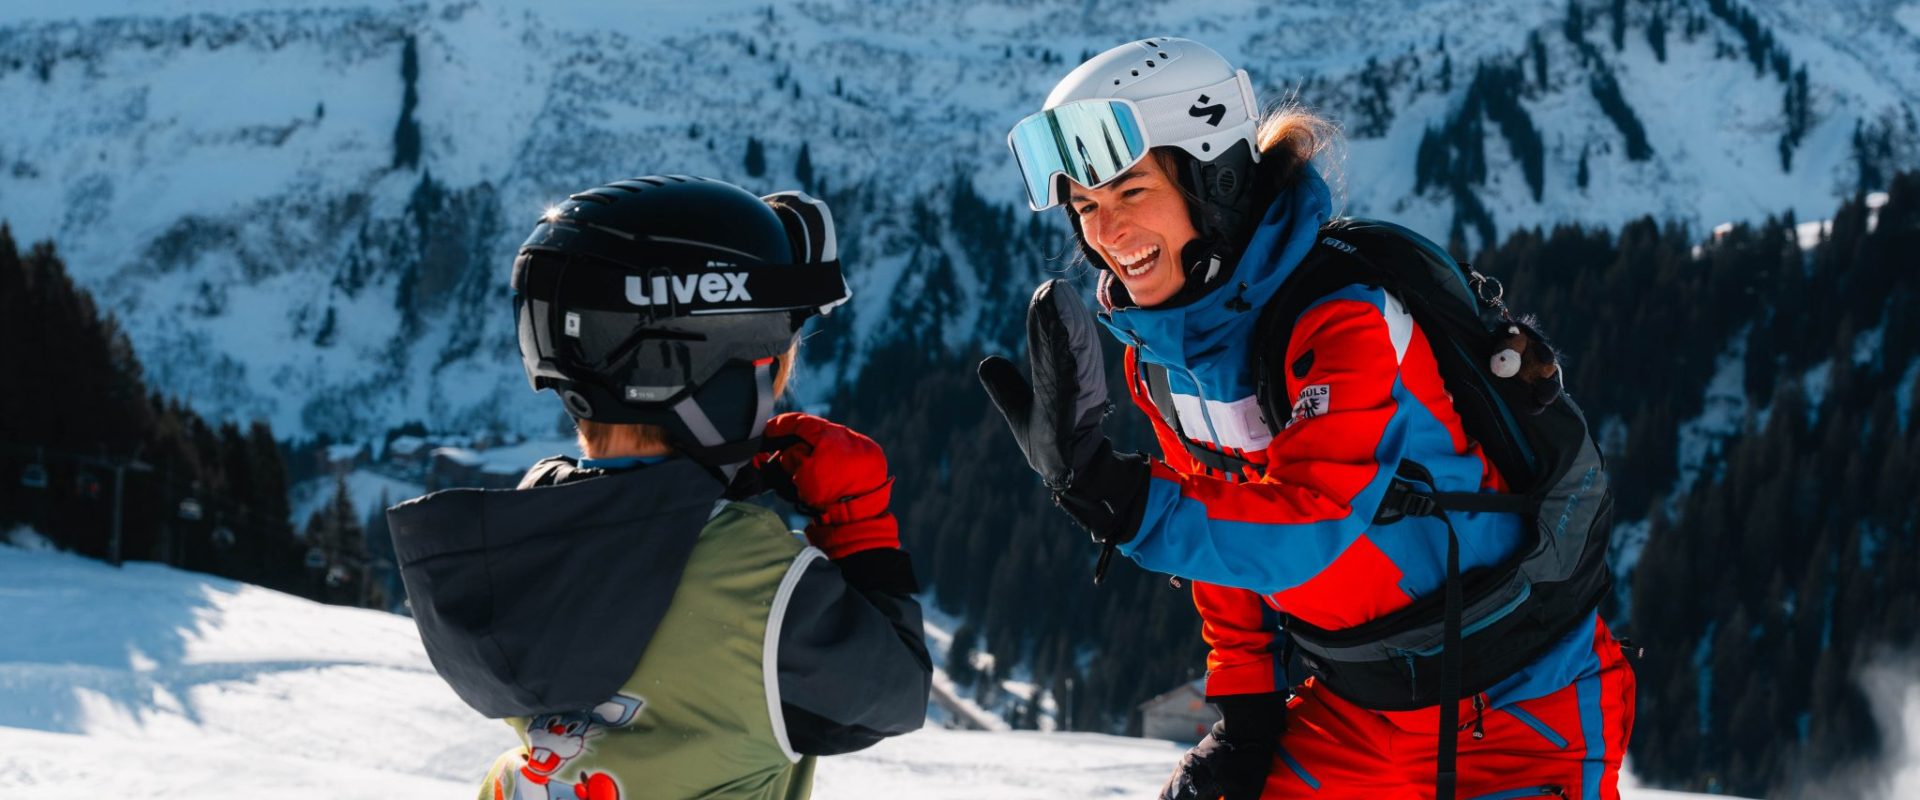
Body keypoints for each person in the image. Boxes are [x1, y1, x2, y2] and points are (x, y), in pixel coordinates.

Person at [982, 38, 1634, 800]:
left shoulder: (1342, 319)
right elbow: (1219, 538)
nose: (1107, 235)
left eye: (1130, 192)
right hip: (1358, 708)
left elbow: (1313, 522)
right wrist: (1247, 712)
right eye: (1086, 207)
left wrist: (1121, 500)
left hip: (1515, 708)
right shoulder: (1160, 362)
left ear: (1214, 181)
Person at [387, 176, 930, 800]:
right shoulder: (755, 580)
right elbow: (893, 695)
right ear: (708, 371)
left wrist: (712, 491)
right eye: (775, 361)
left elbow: (638, 542)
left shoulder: (527, 531)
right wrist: (859, 526)